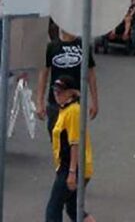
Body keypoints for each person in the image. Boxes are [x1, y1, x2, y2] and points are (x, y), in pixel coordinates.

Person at [45, 76, 95, 222]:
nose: (56, 94)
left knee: (53, 208)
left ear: (71, 93)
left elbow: (75, 143)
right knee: (74, 209)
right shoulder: (65, 109)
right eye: (55, 90)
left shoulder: (73, 111)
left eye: (60, 91)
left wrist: (72, 173)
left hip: (72, 167)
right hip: (69, 166)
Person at [36, 28, 98, 135]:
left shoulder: (83, 46)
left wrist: (95, 101)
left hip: (76, 102)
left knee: (74, 140)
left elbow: (91, 75)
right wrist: (39, 102)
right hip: (55, 102)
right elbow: (43, 75)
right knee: (56, 138)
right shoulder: (51, 47)